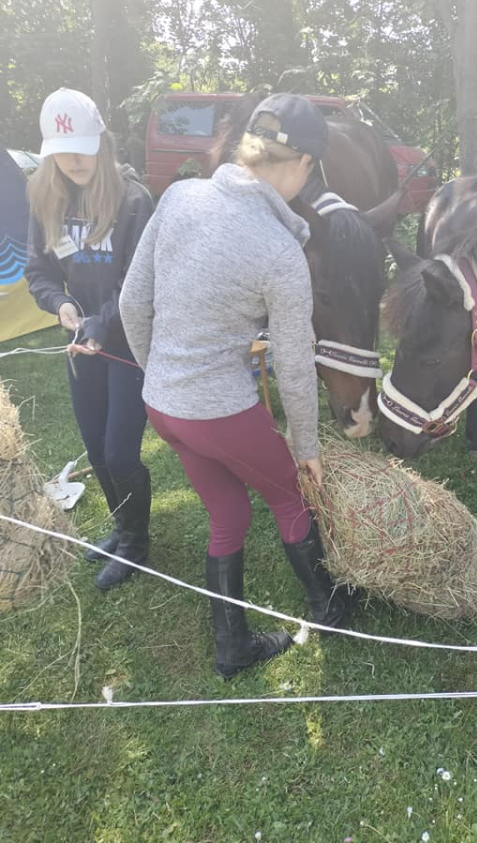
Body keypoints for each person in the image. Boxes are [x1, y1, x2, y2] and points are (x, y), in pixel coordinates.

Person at [119, 93, 350, 680]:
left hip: (161, 405)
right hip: (217, 410)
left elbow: (131, 302)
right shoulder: (280, 251)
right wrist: (307, 448)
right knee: (290, 496)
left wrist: (160, 373)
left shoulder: (179, 195)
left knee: (228, 514)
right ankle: (332, 612)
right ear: (304, 163)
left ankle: (233, 649)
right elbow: (293, 365)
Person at [25, 88, 155, 590]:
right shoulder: (48, 198)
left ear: (101, 142)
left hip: (126, 346)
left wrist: (100, 324)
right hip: (83, 346)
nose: (73, 160)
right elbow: (39, 270)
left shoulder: (133, 200)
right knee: (96, 449)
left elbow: (138, 284)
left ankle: (137, 545)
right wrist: (59, 303)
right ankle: (123, 529)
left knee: (120, 451)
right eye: (62, 152)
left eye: (81, 147)